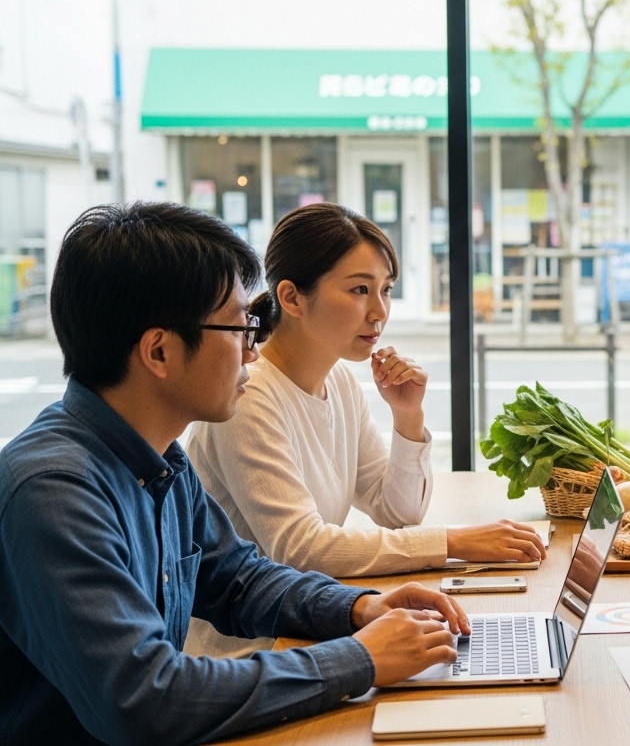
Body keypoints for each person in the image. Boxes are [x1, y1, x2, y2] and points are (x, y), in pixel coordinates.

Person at [0, 202, 471, 744]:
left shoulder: (161, 462)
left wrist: (360, 607)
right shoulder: (54, 491)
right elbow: (145, 698)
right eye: (240, 326)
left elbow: (239, 579)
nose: (253, 349)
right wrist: (360, 659)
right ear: (159, 351)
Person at [187, 203, 544, 581]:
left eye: (386, 290)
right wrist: (452, 542)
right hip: (255, 639)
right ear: (291, 297)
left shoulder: (338, 381)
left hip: (312, 616)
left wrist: (408, 415)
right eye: (360, 289)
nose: (379, 311)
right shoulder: (249, 394)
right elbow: (300, 548)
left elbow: (398, 512)